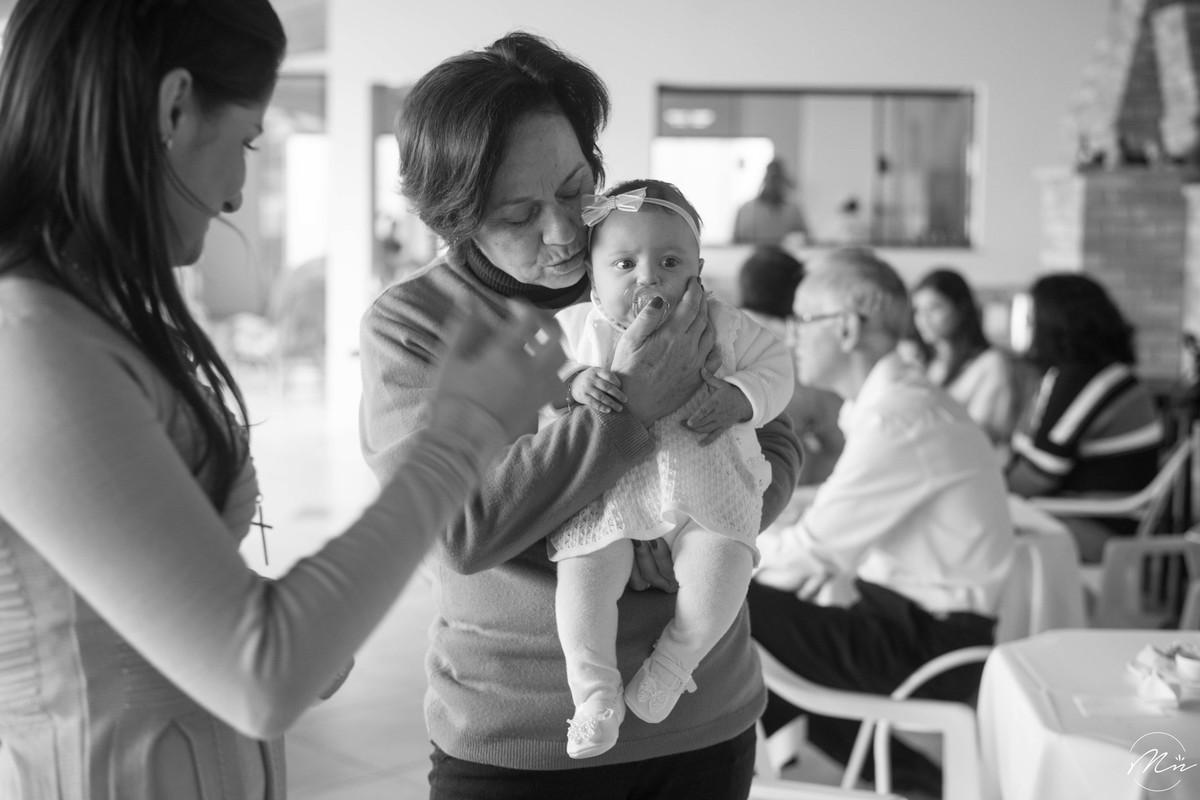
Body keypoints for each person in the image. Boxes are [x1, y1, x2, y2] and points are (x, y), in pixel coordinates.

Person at [0, 2, 567, 797]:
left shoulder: (90, 316)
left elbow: (193, 610)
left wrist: (307, 621)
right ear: (173, 108)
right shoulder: (26, 343)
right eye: (246, 140)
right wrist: (461, 435)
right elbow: (262, 674)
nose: (237, 193)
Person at [358, 32, 802, 800]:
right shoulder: (415, 324)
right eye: (520, 214)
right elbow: (460, 528)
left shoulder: (649, 269)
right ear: (456, 218)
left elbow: (777, 442)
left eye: (575, 189)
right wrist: (628, 421)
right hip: (523, 733)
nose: (565, 234)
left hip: (703, 716)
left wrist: (698, 519)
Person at [747, 248, 1014, 795]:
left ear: (846, 328)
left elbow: (814, 550)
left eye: (802, 319)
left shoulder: (899, 418)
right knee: (741, 613)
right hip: (907, 621)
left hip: (929, 644)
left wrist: (721, 545)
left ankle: (757, 771)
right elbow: (829, 518)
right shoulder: (895, 403)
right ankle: (910, 781)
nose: (792, 336)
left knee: (726, 599)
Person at [545, 179, 794, 758]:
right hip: (608, 497)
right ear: (591, 274)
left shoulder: (726, 325)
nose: (648, 278)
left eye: (670, 262)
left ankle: (675, 662)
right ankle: (594, 694)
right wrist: (575, 382)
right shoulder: (578, 329)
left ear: (699, 272)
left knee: (723, 570)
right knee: (582, 582)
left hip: (707, 490)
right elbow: (539, 378)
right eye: (624, 263)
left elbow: (777, 367)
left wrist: (741, 395)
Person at [1006, 273, 1163, 563]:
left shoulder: (1087, 381)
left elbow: (1040, 473)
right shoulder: (1103, 374)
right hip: (1085, 516)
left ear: (1053, 324)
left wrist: (987, 487)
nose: (1028, 327)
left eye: (1032, 318)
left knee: (969, 521)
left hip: (1096, 526)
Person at [738, 245, 844, 485]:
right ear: (795, 293)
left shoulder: (712, 334)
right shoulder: (802, 353)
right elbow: (838, 441)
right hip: (782, 488)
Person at [911, 267, 1020, 445]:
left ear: (961, 308)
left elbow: (983, 433)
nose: (924, 319)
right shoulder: (927, 363)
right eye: (918, 310)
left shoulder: (991, 363)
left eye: (935, 308)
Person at [732, 159, 809, 246]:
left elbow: (806, 239)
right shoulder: (747, 209)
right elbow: (735, 243)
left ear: (783, 181)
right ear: (765, 178)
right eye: (772, 178)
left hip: (783, 254)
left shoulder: (793, 211)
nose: (774, 183)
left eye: (777, 178)